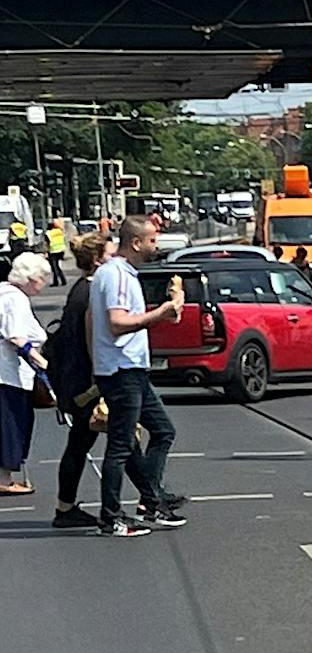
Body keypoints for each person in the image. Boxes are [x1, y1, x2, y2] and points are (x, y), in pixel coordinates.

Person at [90, 214, 185, 536]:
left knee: (162, 431)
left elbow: (95, 324)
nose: (155, 246)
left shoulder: (119, 273)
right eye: (152, 240)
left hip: (127, 369)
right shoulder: (116, 275)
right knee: (120, 445)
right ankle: (111, 517)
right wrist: (160, 313)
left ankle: (151, 500)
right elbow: (117, 323)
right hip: (122, 369)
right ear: (135, 242)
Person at [48, 228, 112, 528]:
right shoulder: (91, 293)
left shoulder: (80, 289)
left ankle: (65, 507)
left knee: (82, 442)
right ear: (99, 261)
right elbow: (91, 340)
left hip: (75, 380)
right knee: (123, 439)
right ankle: (151, 498)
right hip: (88, 381)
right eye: (111, 256)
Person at [0, 253, 53, 494]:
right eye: (43, 278)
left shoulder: (4, 292)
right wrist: (40, 360)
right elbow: (15, 336)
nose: (45, 284)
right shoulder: (15, 299)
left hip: (8, 371)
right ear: (31, 278)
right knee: (11, 423)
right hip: (8, 372)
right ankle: (4, 478)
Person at [45, 216, 68, 287]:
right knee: (57, 266)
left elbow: (47, 243)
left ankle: (60, 281)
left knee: (55, 267)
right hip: (60, 250)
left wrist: (46, 252)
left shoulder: (48, 233)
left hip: (53, 251)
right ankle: (59, 281)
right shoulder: (59, 231)